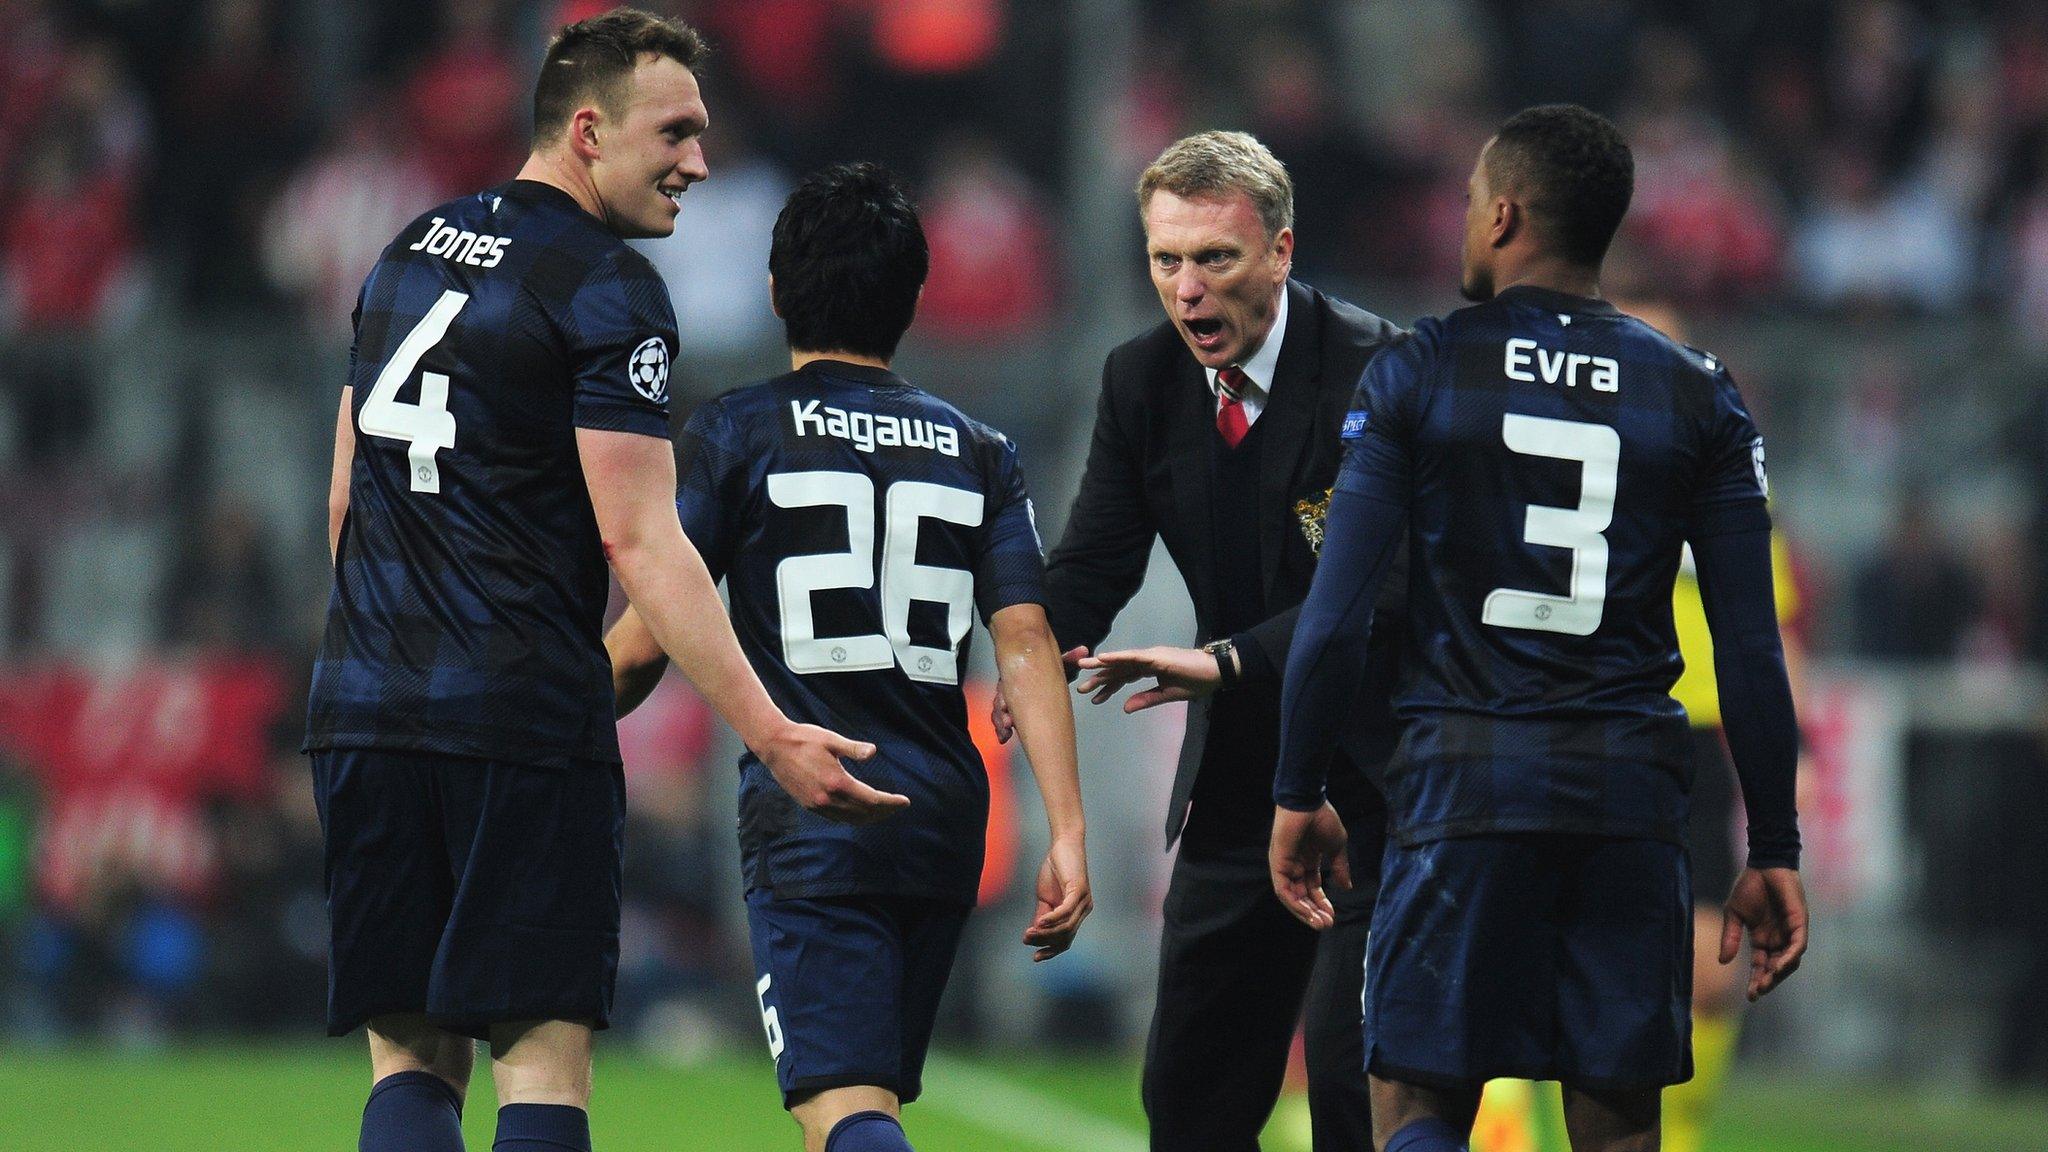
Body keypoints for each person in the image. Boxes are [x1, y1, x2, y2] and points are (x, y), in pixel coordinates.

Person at [304, 13, 883, 1152]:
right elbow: (642, 543)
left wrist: (402, 639)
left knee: (410, 1061)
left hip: (364, 713)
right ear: (585, 131)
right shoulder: (604, 286)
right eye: (674, 132)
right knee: (539, 1061)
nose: (699, 163)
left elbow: (343, 504)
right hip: (518, 720)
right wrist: (768, 731)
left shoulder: (407, 247)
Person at [1269, 104, 1810, 1152]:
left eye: (1472, 202)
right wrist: (1774, 843)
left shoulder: (1417, 372)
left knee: (1419, 1097)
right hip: (1626, 796)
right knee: (1614, 1126)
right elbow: (1749, 648)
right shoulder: (1698, 394)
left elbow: (1334, 619)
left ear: (1504, 213)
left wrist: (1298, 790)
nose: (1466, 221)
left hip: (1461, 779)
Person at [605, 162, 1091, 1152]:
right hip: (946, 819)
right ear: (913, 298)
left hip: (813, 811)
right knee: (864, 1106)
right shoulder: (980, 449)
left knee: (845, 1113)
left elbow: (649, 633)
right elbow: (1026, 640)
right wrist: (1068, 828)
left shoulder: (738, 432)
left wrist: (545, 713)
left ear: (777, 291)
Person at [995, 130, 1404, 1152]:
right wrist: (1033, 645)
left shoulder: (1378, 375)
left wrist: (1223, 661)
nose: (1184, 290)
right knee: (1187, 1102)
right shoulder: (1141, 381)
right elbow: (1092, 558)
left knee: (1360, 1098)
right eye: (1163, 260)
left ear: (1279, 249)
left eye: (1213, 258)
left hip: (1375, 783)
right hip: (1237, 782)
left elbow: (1386, 593)